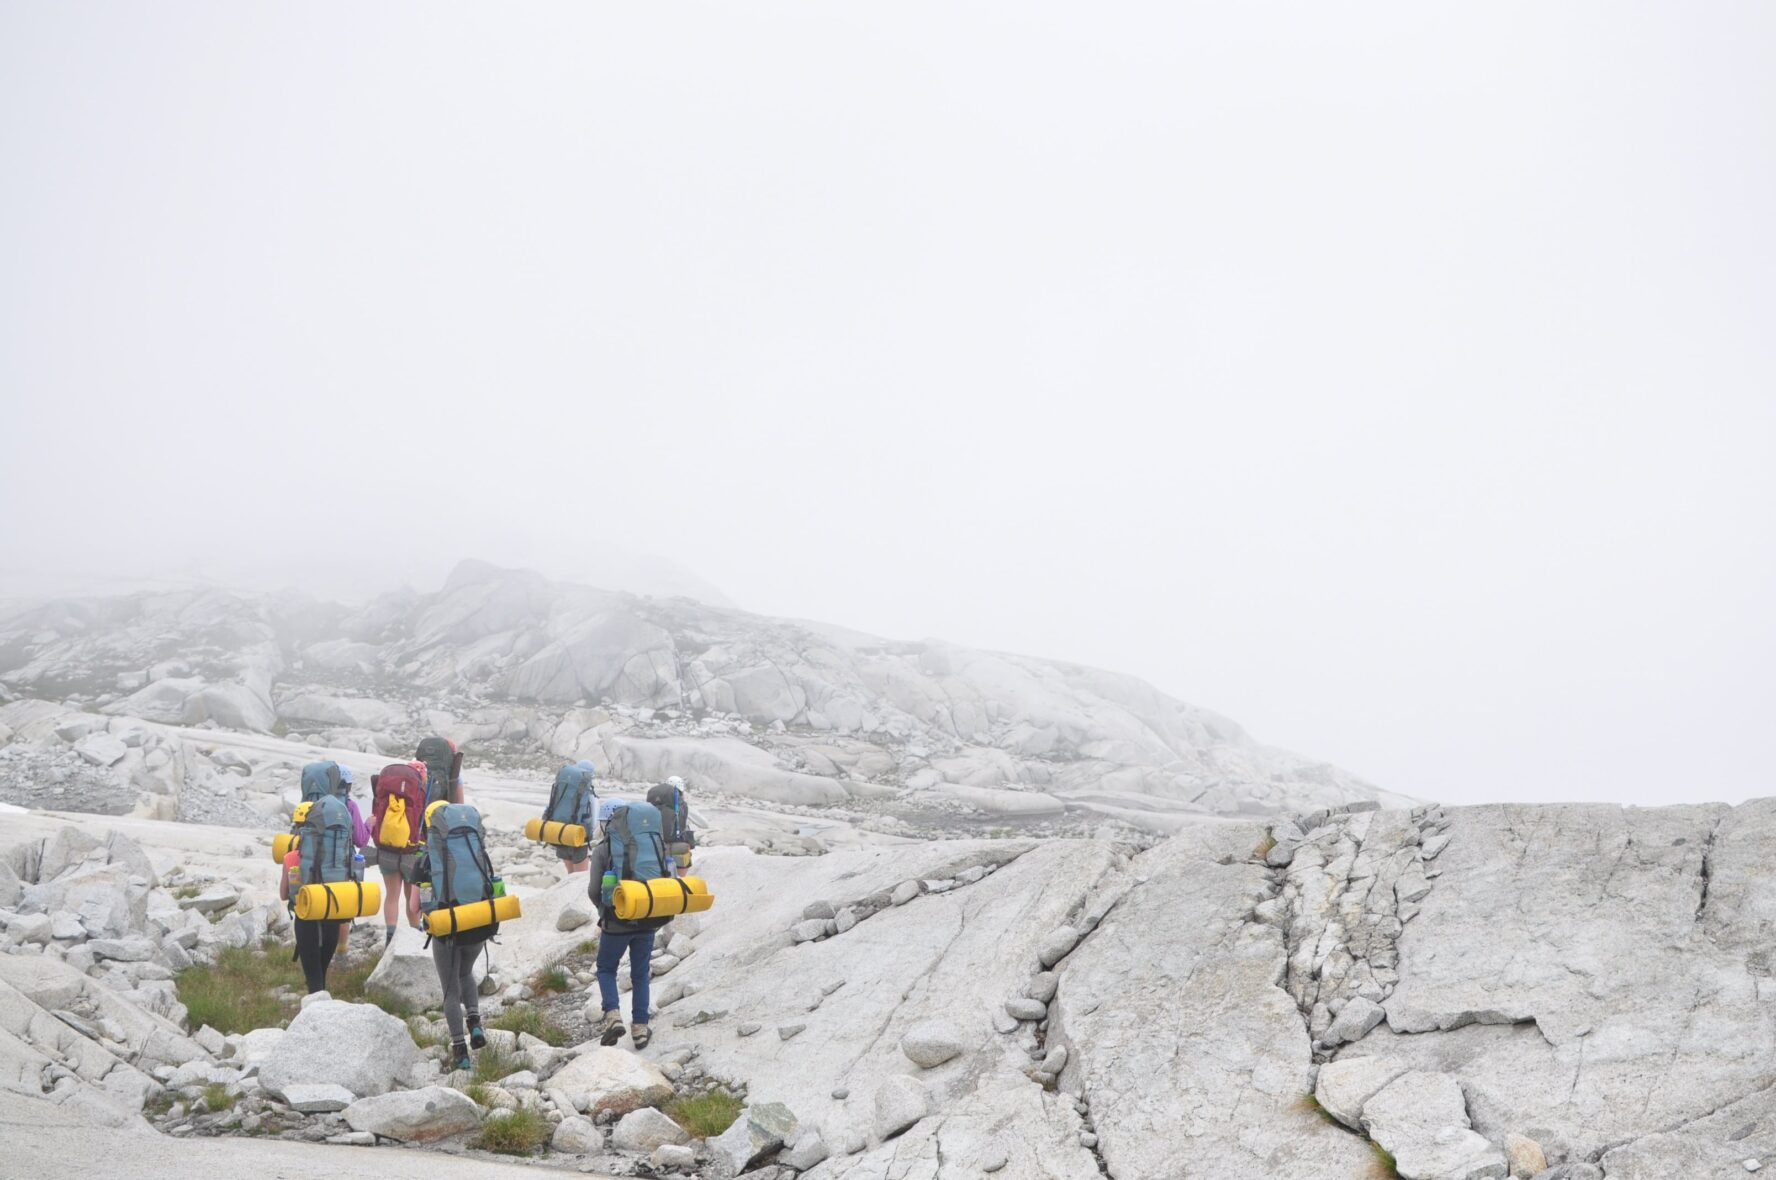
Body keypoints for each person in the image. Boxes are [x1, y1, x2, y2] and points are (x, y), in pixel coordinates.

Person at [587, 797, 671, 1049]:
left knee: (605, 968)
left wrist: (603, 911)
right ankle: (640, 1029)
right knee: (640, 974)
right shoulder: (655, 844)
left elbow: (593, 889)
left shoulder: (604, 849)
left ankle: (613, 1016)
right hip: (648, 917)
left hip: (616, 920)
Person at [419, 799, 496, 1072]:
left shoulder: (428, 859)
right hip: (478, 921)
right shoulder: (473, 847)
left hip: (448, 925)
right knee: (466, 973)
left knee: (450, 988)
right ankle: (475, 1024)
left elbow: (420, 904)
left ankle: (460, 1050)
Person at [371, 760, 428, 943]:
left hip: (386, 850)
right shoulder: (421, 796)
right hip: (411, 853)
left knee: (392, 895)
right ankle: (415, 935)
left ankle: (390, 935)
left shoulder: (389, 793)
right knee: (411, 898)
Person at [280, 843, 339, 994]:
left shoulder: (291, 857)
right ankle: (324, 1003)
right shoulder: (337, 858)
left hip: (305, 919)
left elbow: (283, 894)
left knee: (314, 978)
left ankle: (317, 1010)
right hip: (331, 915)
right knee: (322, 970)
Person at [336, 765, 372, 948]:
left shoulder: (318, 804)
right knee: (343, 907)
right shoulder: (350, 806)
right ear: (348, 786)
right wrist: (369, 824)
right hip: (343, 864)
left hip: (316, 862)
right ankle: (341, 952)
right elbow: (361, 840)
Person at [646, 775, 696, 878]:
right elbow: (702, 824)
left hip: (653, 846)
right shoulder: (682, 805)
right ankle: (681, 880)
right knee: (686, 848)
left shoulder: (653, 801)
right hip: (677, 849)